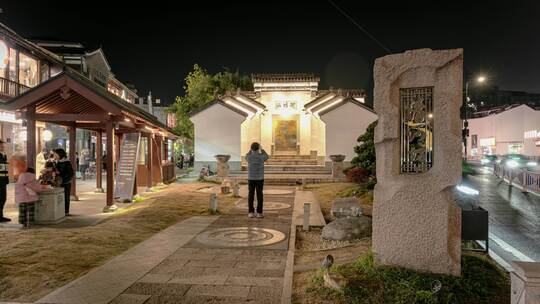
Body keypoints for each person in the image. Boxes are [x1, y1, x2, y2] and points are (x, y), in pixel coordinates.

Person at [12, 153, 45, 227]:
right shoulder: (32, 179)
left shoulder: (20, 178)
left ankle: (23, 222)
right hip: (30, 199)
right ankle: (30, 222)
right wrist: (41, 187)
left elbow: (17, 189)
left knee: (22, 211)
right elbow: (37, 188)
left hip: (21, 198)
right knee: (30, 211)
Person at [245, 142, 268, 218]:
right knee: (259, 195)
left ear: (251, 148)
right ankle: (259, 213)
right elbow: (267, 156)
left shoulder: (249, 157)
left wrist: (250, 150)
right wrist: (262, 149)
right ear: (258, 148)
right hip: (259, 179)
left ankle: (251, 212)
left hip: (251, 178)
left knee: (250, 195)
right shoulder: (262, 157)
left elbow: (246, 155)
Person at [53, 148, 74, 216]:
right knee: (60, 198)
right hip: (59, 182)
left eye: (56, 155)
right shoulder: (57, 162)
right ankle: (60, 211)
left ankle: (66, 211)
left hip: (65, 183)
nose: (55, 156)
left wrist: (63, 180)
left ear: (60, 154)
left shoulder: (67, 162)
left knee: (66, 197)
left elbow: (70, 174)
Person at [0, 139, 10, 222]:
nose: (2, 146)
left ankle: (1, 216)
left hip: (3, 180)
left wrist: (7, 180)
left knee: (3, 198)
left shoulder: (4, 155)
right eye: (1, 145)